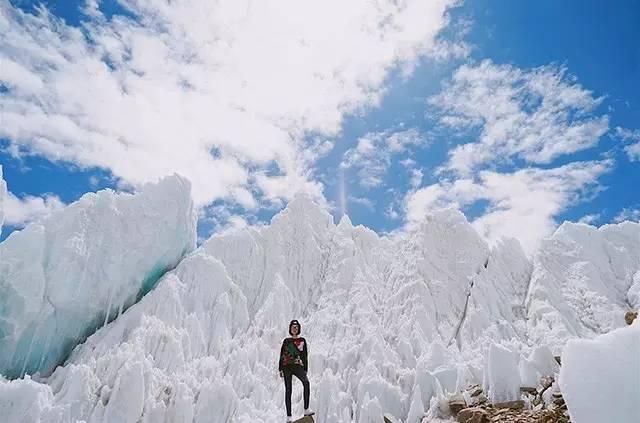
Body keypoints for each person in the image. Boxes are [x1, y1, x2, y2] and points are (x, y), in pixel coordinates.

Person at [279, 319, 314, 422]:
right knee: (288, 390)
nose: (294, 329)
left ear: (298, 329)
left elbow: (304, 355)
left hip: (297, 366)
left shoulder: (302, 341)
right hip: (286, 367)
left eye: (296, 327)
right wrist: (280, 368)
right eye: (293, 327)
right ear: (290, 329)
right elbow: (282, 354)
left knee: (306, 382)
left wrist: (305, 369)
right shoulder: (286, 341)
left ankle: (306, 409)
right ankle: (289, 416)